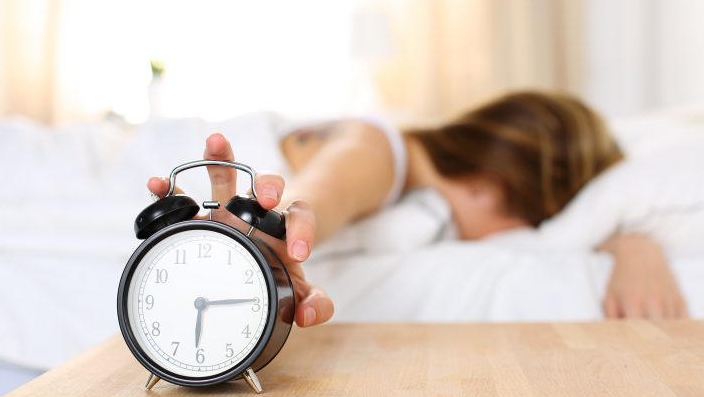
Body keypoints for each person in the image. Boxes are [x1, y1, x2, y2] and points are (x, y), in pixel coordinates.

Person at [147, 90, 689, 326]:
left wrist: (632, 242)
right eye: (536, 221)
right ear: (492, 186)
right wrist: (266, 231)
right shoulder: (381, 149)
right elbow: (319, 197)